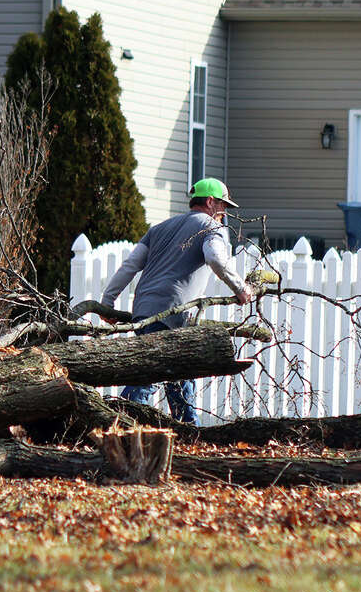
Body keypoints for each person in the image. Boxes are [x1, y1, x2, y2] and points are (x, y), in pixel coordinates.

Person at [100, 177, 254, 425]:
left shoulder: (159, 228)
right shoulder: (212, 228)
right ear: (210, 201)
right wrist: (241, 289)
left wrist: (107, 302)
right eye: (223, 206)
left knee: (179, 371)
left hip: (144, 310)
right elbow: (215, 258)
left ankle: (187, 430)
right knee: (152, 372)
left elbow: (130, 266)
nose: (225, 213)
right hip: (173, 313)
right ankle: (119, 424)